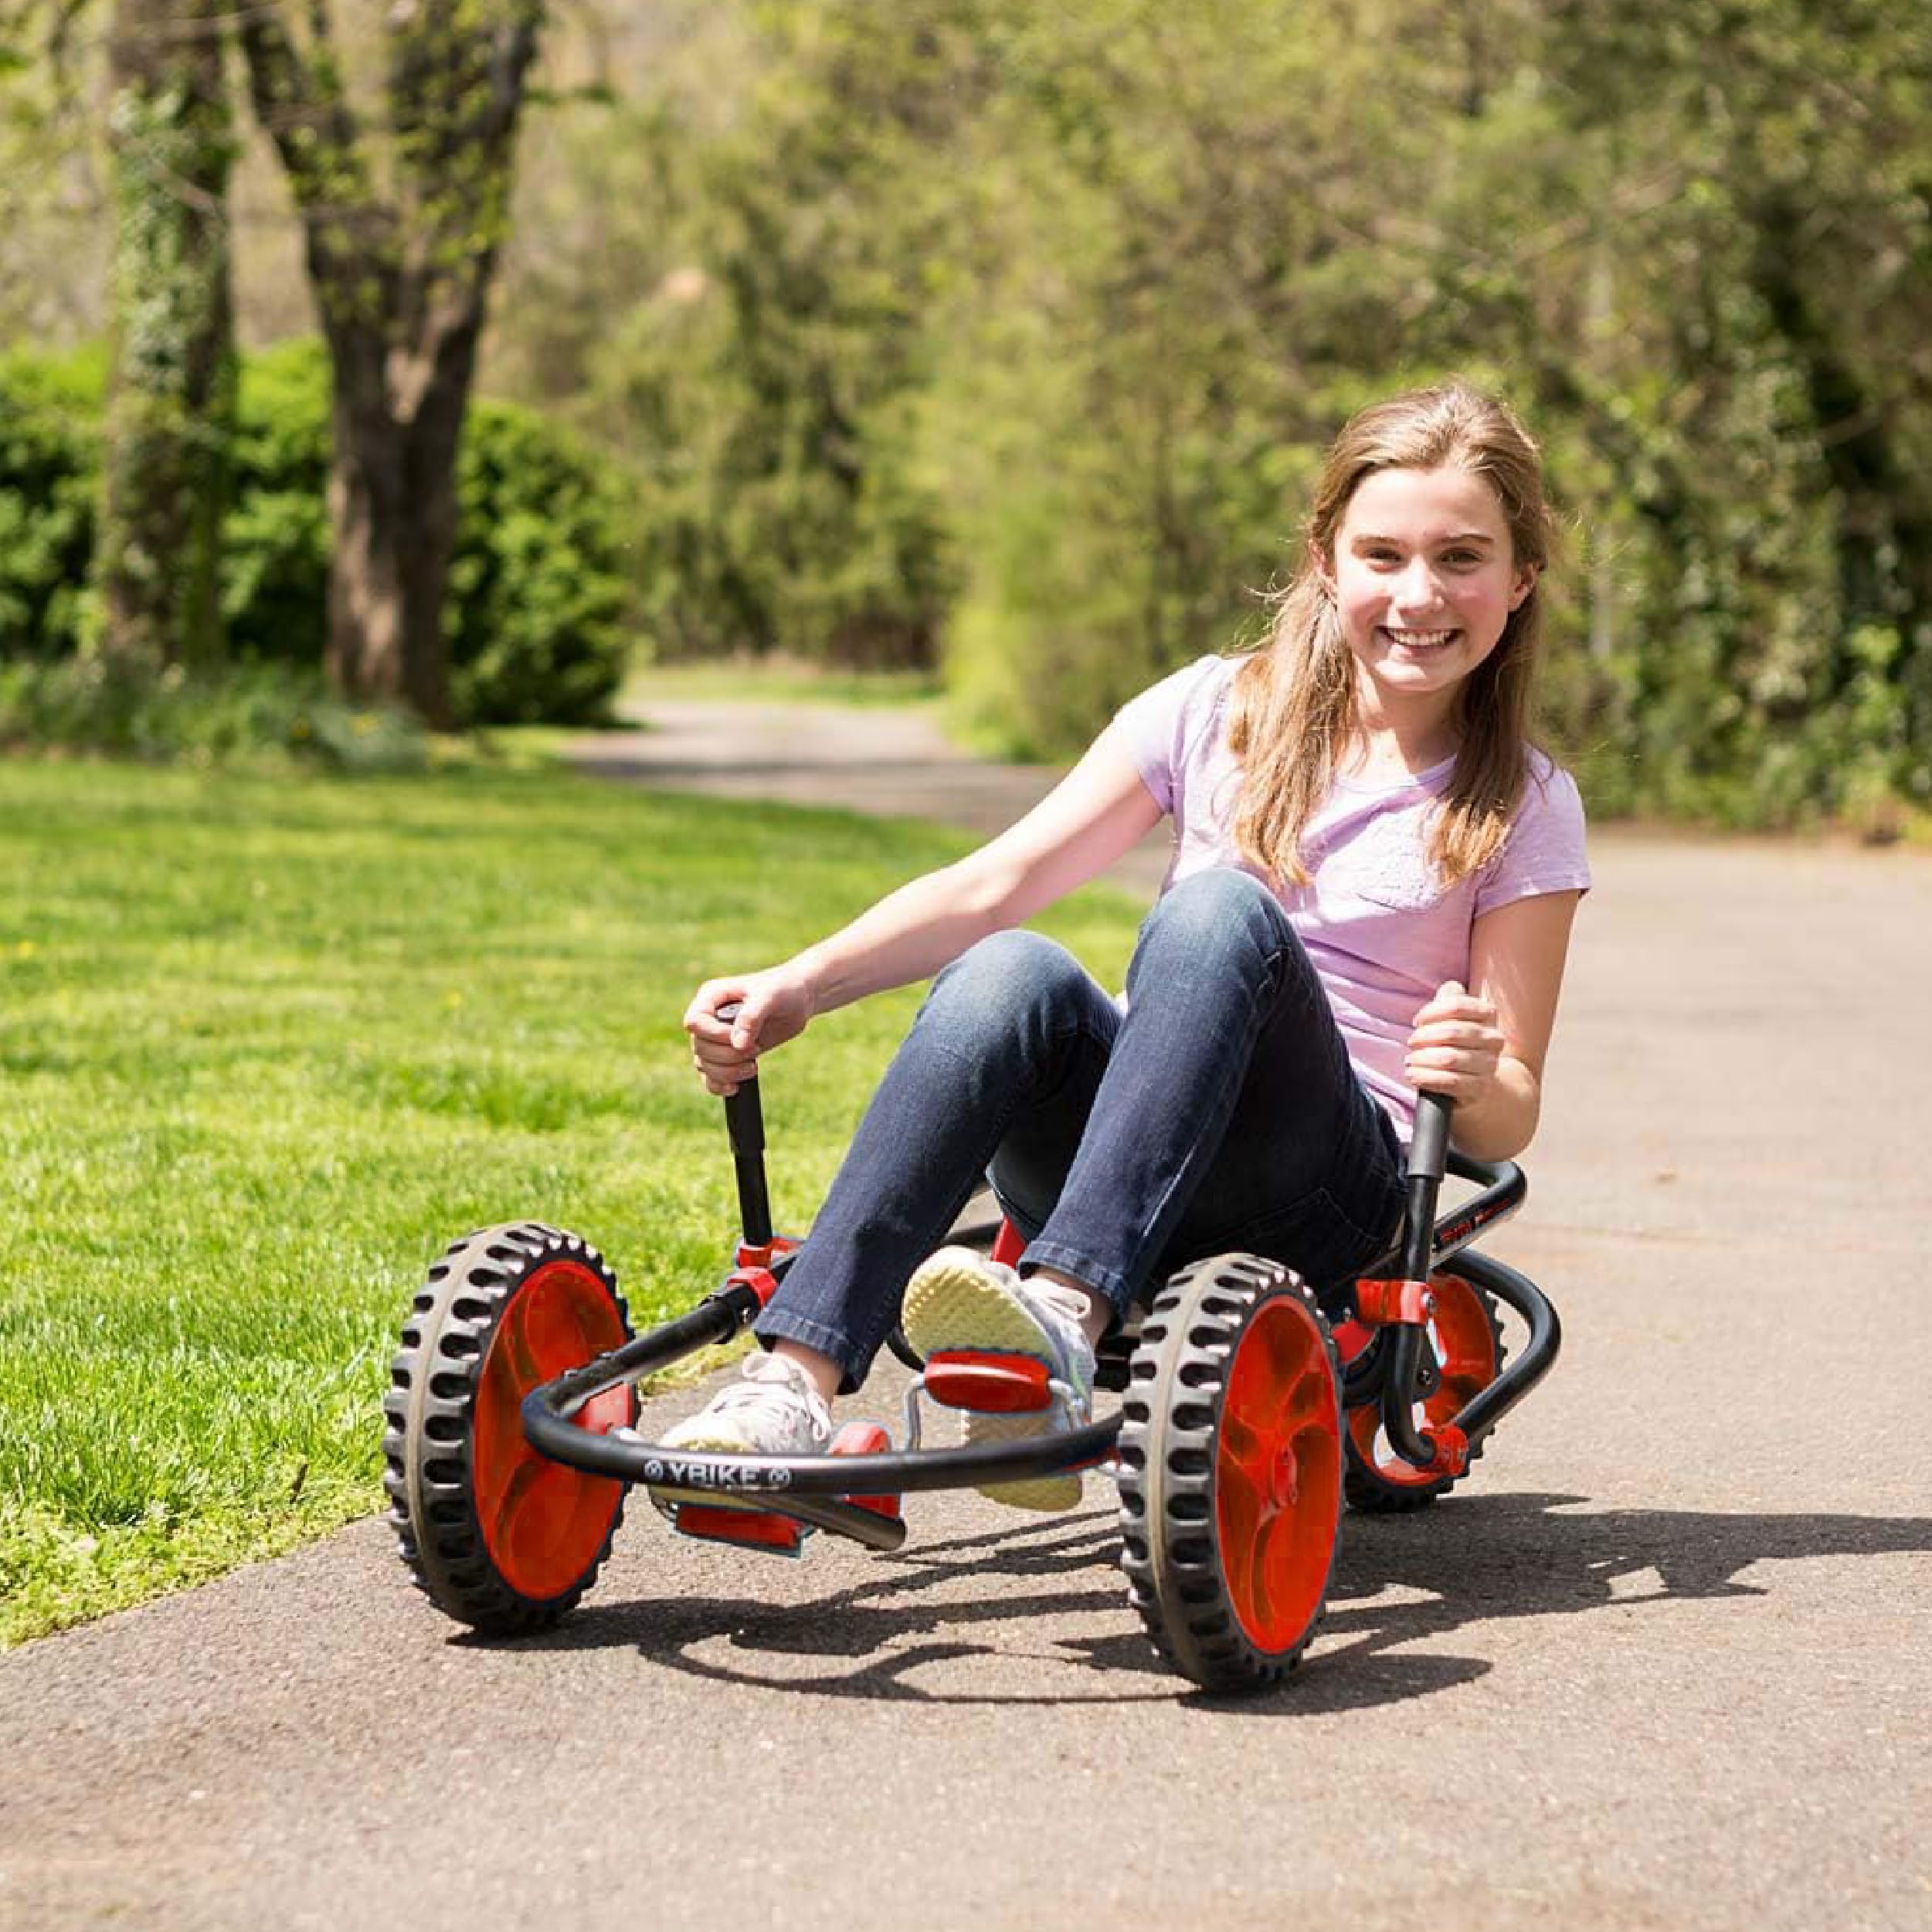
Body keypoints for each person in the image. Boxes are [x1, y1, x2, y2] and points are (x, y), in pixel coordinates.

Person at [661, 380, 1590, 1513]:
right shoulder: (1210, 711)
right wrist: (799, 984)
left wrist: (1471, 1067)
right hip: (1128, 1157)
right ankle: (789, 1382)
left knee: (1216, 914)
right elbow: (993, 882)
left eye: (1460, 558)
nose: (1417, 594)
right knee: (1018, 969)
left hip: (1324, 1190)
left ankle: (1057, 1319)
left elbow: (1507, 1110)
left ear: (1520, 578)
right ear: (1324, 560)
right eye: (1382, 554)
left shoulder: (1522, 801)